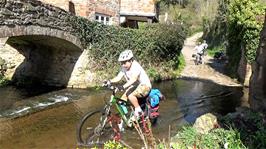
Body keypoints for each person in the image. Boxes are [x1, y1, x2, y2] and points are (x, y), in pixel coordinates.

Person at [105, 49, 152, 119]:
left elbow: (134, 79)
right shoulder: (124, 67)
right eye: (121, 63)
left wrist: (123, 87)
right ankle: (125, 118)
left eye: (125, 62)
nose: (123, 65)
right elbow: (118, 77)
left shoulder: (136, 66)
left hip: (145, 85)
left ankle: (139, 111)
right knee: (121, 102)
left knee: (130, 95)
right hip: (136, 86)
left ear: (131, 60)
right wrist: (109, 81)